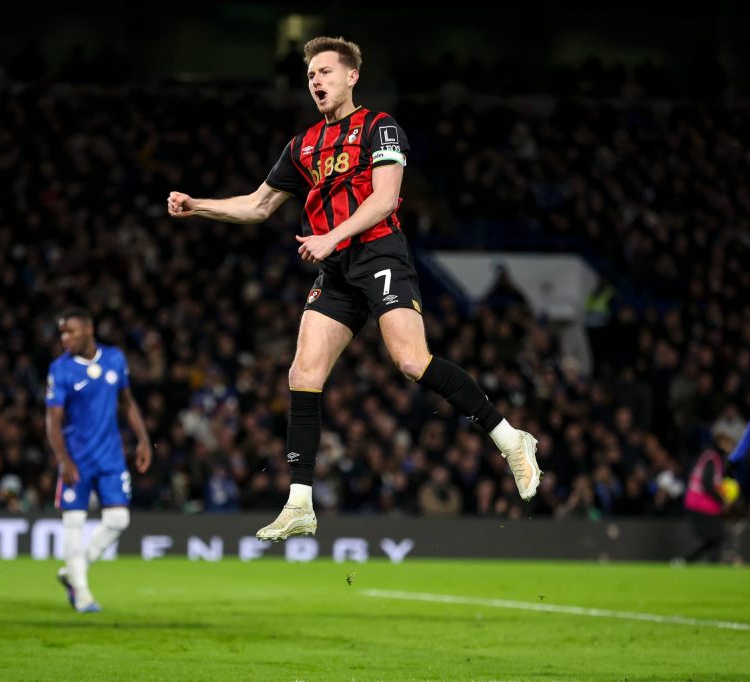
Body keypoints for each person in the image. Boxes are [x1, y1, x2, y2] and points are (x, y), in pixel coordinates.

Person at [167, 36, 541, 541]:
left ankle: (510, 438)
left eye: (325, 72)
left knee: (411, 362)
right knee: (303, 372)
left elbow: (386, 199)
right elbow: (258, 206)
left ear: (351, 77)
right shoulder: (302, 146)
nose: (316, 81)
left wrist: (330, 238)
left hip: (378, 251)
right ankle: (300, 502)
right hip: (338, 266)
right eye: (310, 75)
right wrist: (198, 206)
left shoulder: (379, 127)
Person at [46, 309, 152, 613]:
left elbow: (126, 402)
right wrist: (63, 460)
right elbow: (52, 422)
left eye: (72, 332)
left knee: (119, 519)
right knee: (73, 522)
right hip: (76, 459)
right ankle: (82, 593)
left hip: (111, 456)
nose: (65, 338)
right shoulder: (60, 369)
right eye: (62, 333)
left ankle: (71, 573)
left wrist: (143, 439)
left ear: (89, 330)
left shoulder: (115, 359)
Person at [678, 416, 745, 564]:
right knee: (716, 537)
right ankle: (708, 565)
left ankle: (684, 562)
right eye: (729, 443)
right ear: (721, 442)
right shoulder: (712, 458)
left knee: (712, 539)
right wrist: (722, 500)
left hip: (699, 503)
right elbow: (708, 484)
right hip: (701, 504)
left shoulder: (712, 457)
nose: (731, 447)